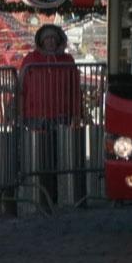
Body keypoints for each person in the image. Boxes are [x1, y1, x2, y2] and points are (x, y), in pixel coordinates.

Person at [19, 24, 83, 208]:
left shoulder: (67, 60)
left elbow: (74, 89)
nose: (50, 42)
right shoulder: (30, 60)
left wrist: (77, 113)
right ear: (41, 40)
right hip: (35, 116)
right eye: (47, 38)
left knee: (58, 159)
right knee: (37, 159)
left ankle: (56, 196)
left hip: (61, 116)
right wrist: (20, 113)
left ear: (59, 40)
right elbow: (22, 89)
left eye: (53, 38)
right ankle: (37, 196)